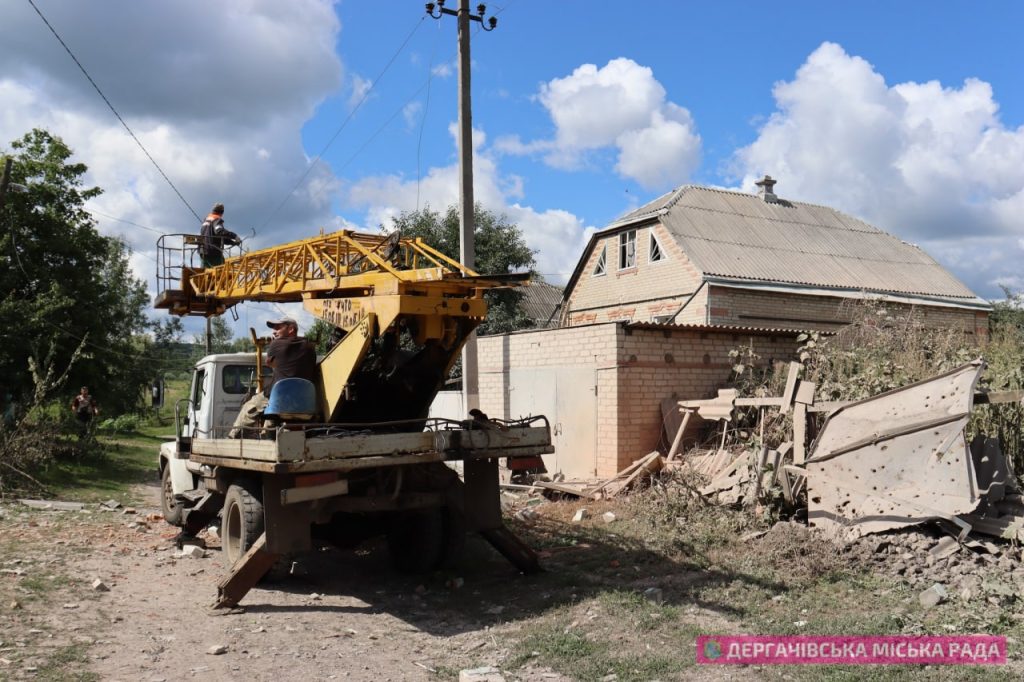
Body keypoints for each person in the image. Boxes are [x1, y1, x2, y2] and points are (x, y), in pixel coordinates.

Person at [229, 317, 317, 438]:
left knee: (249, 407)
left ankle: (232, 437)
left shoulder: (276, 344)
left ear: (291, 329)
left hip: (279, 395)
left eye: (278, 327)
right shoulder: (310, 347)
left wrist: (274, 346)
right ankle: (268, 436)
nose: (274, 331)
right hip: (303, 400)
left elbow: (270, 363)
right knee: (273, 412)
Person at [198, 203, 240, 267]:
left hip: (203, 252)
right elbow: (219, 231)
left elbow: (218, 237)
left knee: (204, 274)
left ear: (213, 210)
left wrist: (232, 242)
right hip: (213, 253)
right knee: (222, 273)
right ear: (222, 212)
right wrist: (235, 236)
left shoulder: (206, 220)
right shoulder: (216, 219)